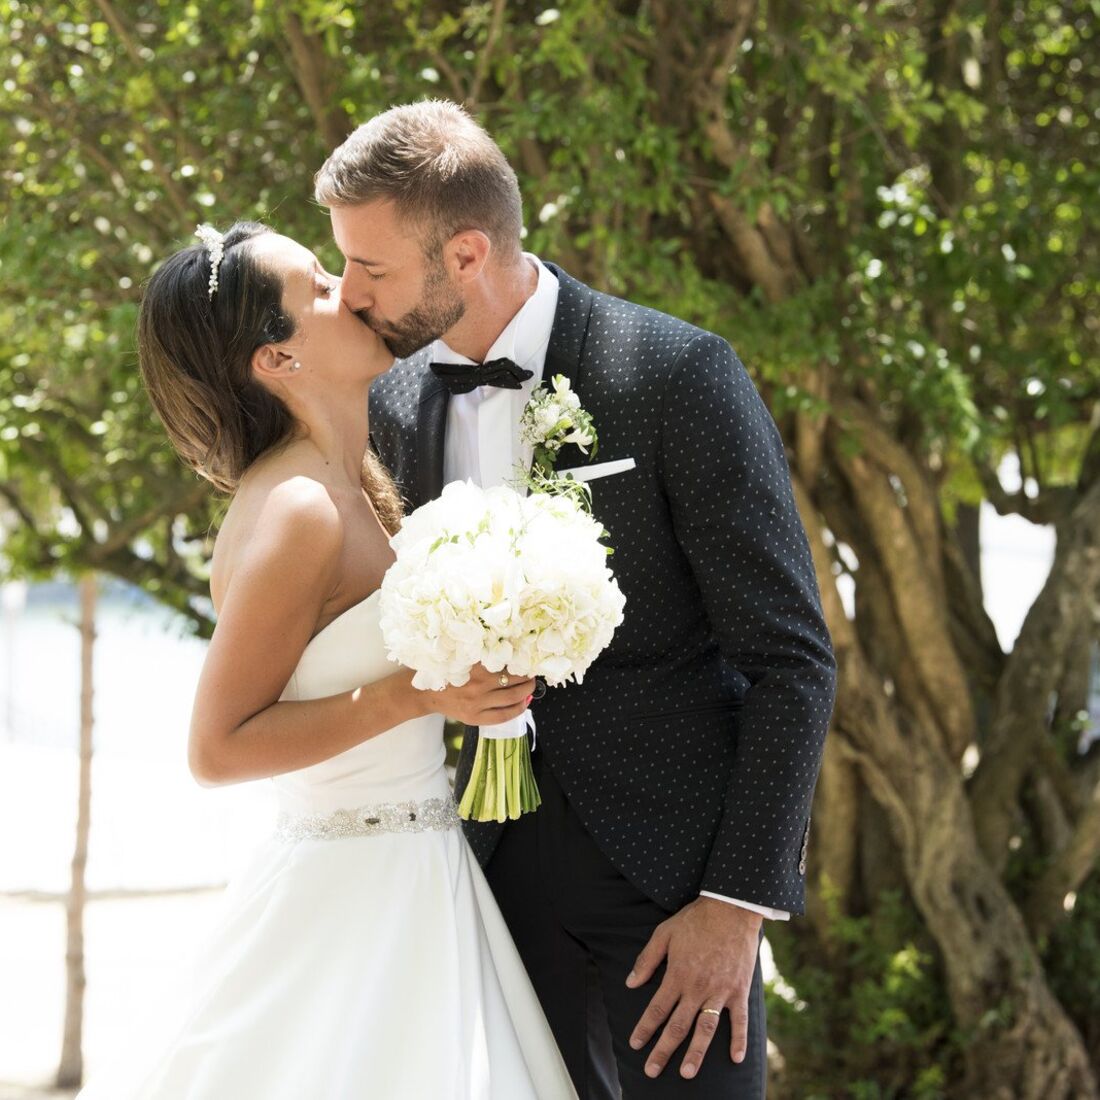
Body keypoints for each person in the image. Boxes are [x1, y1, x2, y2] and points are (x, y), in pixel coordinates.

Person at [317, 100, 838, 1099]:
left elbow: (789, 657)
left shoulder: (675, 373)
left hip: (673, 883)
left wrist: (734, 906)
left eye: (369, 268)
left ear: (463, 254)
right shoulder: (386, 405)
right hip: (476, 878)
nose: (347, 294)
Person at [75, 221, 576, 1099]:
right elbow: (217, 747)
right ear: (276, 360)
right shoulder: (299, 507)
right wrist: (419, 699)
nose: (347, 289)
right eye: (314, 287)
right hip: (353, 899)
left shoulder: (355, 481)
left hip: (422, 877)